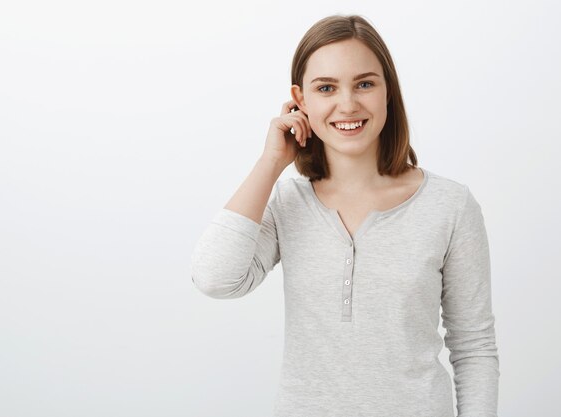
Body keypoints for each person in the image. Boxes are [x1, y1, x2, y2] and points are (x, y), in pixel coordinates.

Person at [190, 14, 499, 417]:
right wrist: (270, 162)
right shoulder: (288, 200)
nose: (348, 104)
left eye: (365, 84)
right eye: (326, 88)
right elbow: (216, 279)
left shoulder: (449, 205)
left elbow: (474, 347)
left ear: (388, 91)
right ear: (301, 101)